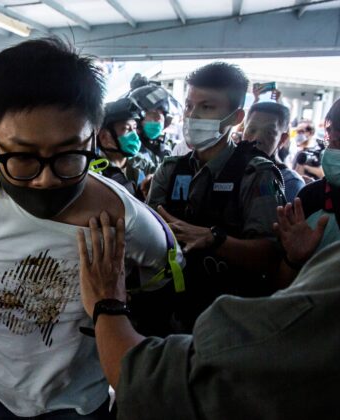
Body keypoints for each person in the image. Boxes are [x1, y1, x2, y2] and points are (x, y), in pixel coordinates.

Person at [0, 37, 182, 419]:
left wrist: (115, 307)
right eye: (22, 156)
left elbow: (163, 283)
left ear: (93, 137)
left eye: (67, 155)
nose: (45, 181)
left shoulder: (127, 223)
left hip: (75, 403)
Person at [77, 183, 340, 420]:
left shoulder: (256, 174)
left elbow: (154, 381)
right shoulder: (173, 169)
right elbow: (282, 292)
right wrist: (293, 261)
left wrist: (107, 305)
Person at [147, 62, 286, 332]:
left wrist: (214, 240)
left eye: (207, 107)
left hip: (229, 322)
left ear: (236, 117)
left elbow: (271, 255)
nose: (192, 115)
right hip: (169, 315)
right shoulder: (170, 169)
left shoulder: (256, 174)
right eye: (189, 106)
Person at [274, 86, 340, 288]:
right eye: (329, 139)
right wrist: (294, 260)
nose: (330, 151)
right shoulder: (311, 198)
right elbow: (280, 291)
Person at [243, 101, 305, 202]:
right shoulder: (228, 168)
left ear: (282, 139)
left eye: (269, 132)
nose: (257, 139)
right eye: (252, 130)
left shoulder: (289, 182)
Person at [98, 97, 155, 200]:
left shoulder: (140, 162)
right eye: (126, 129)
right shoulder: (95, 172)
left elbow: (159, 174)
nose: (134, 135)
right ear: (104, 138)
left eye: (134, 128)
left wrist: (154, 178)